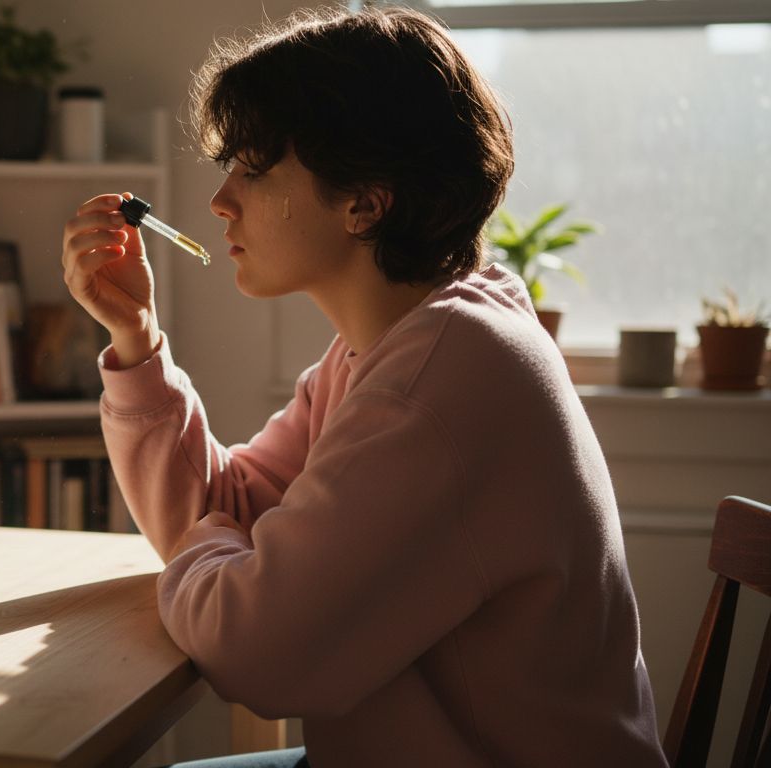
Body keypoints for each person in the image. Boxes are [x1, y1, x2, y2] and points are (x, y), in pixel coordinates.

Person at [59, 6, 667, 768]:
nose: (220, 201)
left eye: (254, 168)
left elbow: (258, 650)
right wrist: (137, 338)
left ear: (365, 203)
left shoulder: (440, 386)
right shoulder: (391, 349)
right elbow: (230, 507)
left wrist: (226, 548)